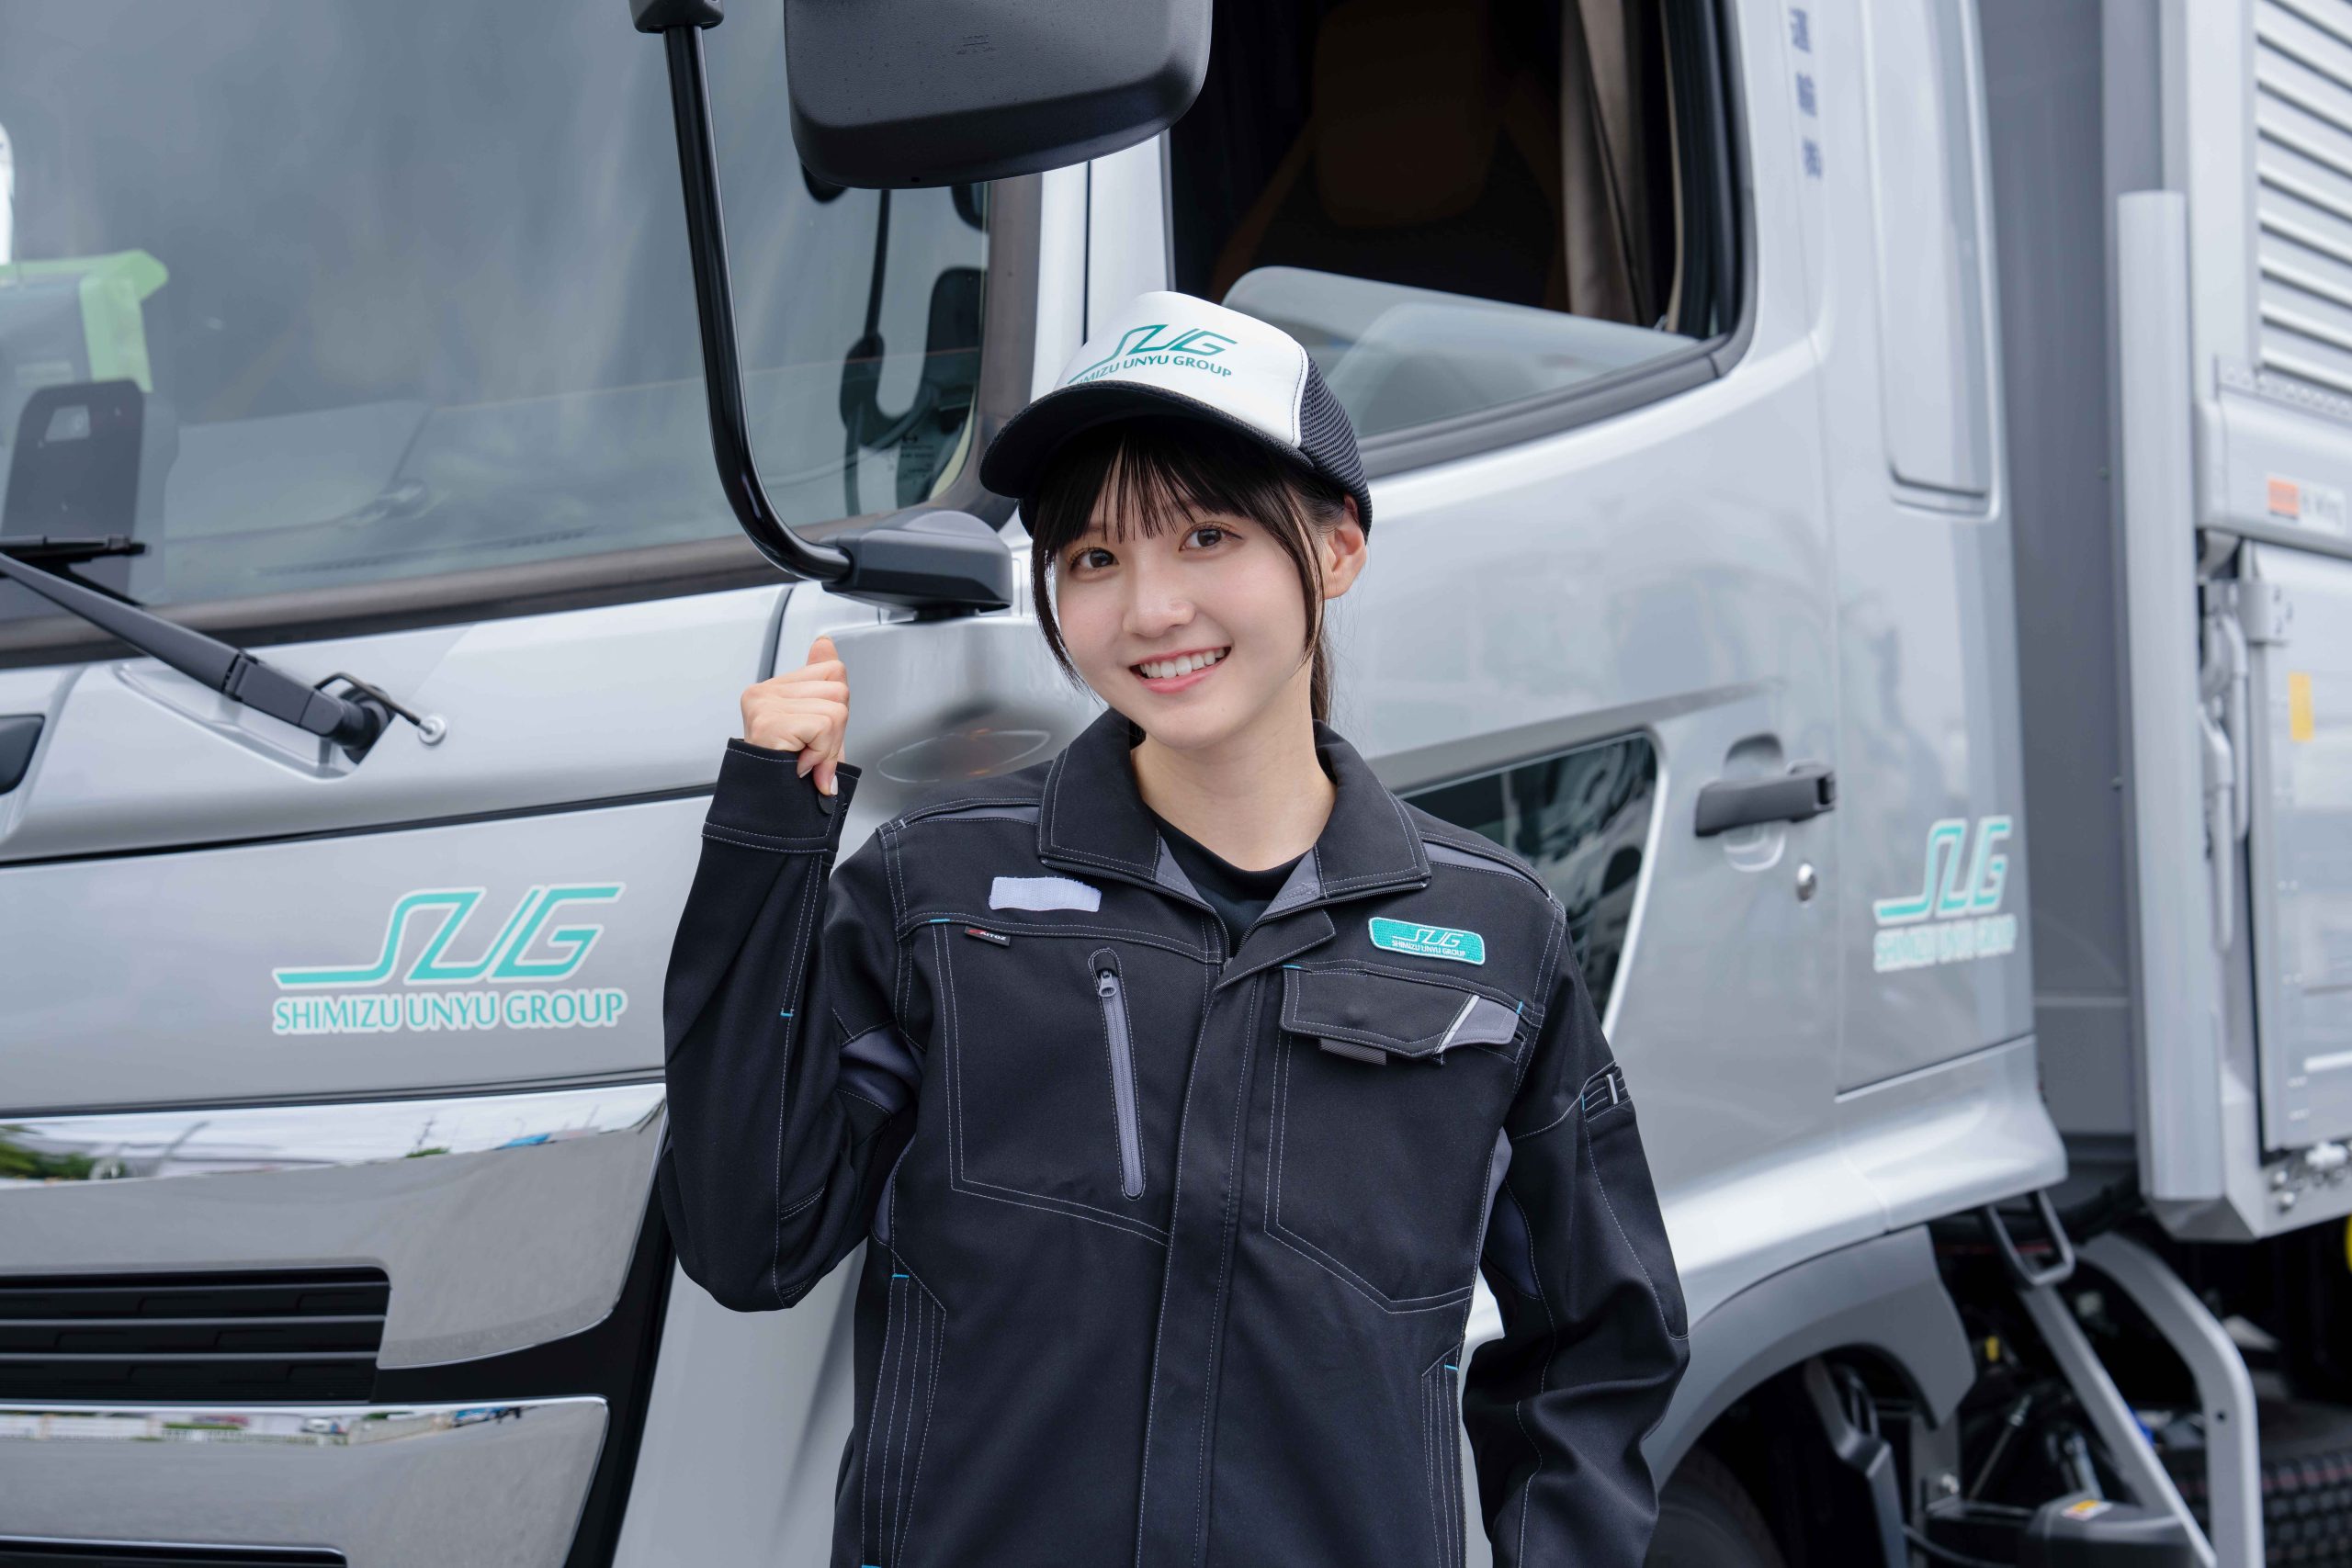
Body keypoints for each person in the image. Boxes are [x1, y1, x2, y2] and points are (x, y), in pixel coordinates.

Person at [656, 289, 1689, 1568]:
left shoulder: (1491, 932)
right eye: (1093, 559)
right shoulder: (935, 893)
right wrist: (767, 840)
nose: (1149, 609)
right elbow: (750, 1241)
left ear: (1338, 549)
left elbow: (1596, 1349)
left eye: (1206, 536)